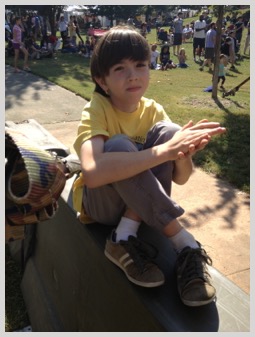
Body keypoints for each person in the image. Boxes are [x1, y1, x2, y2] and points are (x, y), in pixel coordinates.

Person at [73, 25, 226, 307]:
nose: (133, 75)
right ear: (102, 80)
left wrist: (182, 152)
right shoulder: (98, 107)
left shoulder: (154, 109)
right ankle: (184, 243)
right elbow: (93, 174)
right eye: (119, 68)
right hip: (102, 206)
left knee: (170, 131)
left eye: (140, 65)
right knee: (119, 145)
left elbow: (181, 178)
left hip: (140, 205)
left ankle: (125, 234)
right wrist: (163, 153)